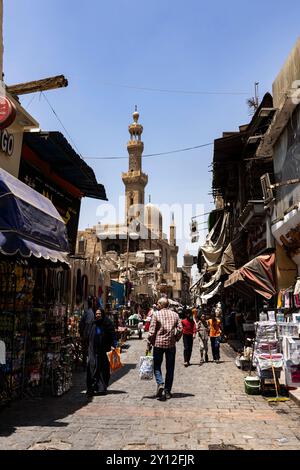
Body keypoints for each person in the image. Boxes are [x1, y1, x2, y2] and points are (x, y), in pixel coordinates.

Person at [147, 297, 182, 401]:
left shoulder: (156, 314)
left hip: (158, 345)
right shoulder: (175, 315)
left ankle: (160, 383)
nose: (157, 305)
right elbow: (180, 329)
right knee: (170, 368)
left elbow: (152, 331)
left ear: (161, 305)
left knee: (157, 366)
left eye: (158, 304)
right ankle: (167, 391)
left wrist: (149, 342)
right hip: (171, 345)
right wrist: (176, 338)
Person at [86, 309, 117, 396]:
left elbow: (113, 334)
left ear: (102, 314)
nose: (98, 315)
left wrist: (114, 345)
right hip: (93, 350)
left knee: (103, 370)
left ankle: (102, 388)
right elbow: (88, 335)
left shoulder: (107, 323)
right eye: (96, 314)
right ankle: (92, 388)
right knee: (92, 368)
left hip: (104, 351)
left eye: (99, 313)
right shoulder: (93, 323)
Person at [79, 299, 95, 368]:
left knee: (85, 349)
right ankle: (85, 363)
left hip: (87, 334)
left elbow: (87, 325)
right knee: (85, 349)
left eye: (85, 304)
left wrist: (85, 335)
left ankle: (85, 363)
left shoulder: (89, 312)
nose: (84, 306)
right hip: (86, 333)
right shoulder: (87, 312)